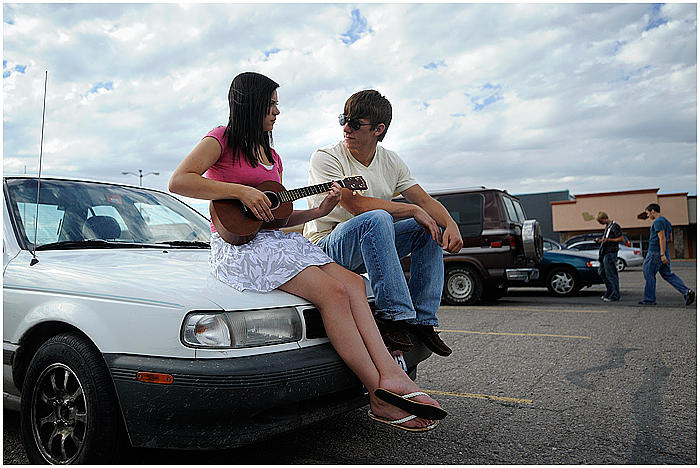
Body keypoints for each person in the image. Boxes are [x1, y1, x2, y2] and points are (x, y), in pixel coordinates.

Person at [169, 72, 446, 431]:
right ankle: (378, 395)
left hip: (272, 240)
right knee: (333, 293)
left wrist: (318, 211)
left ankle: (393, 375)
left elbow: (275, 218)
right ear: (250, 103)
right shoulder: (221, 139)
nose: (277, 112)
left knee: (354, 284)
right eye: (271, 104)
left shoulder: (272, 156)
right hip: (238, 248)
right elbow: (180, 180)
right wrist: (240, 191)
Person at [303, 89, 463, 357]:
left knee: (426, 227)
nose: (346, 128)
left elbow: (424, 200)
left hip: (370, 245)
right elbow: (355, 205)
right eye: (343, 119)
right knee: (377, 218)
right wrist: (411, 209)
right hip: (326, 249)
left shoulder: (390, 160)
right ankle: (394, 316)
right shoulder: (326, 156)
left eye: (355, 123)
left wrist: (450, 224)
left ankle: (423, 320)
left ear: (379, 129)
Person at [638, 203, 695, 306]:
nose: (648, 215)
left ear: (653, 211)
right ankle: (687, 292)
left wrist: (662, 254)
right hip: (664, 252)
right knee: (668, 275)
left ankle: (649, 300)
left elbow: (663, 238)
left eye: (648, 213)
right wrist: (664, 252)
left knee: (649, 275)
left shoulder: (658, 222)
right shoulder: (667, 222)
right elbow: (670, 239)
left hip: (655, 253)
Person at [594, 211, 623, 302]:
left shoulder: (615, 226)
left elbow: (621, 239)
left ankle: (615, 295)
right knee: (602, 272)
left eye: (601, 221)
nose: (600, 223)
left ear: (605, 218)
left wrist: (609, 240)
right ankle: (610, 291)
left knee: (611, 274)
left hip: (610, 253)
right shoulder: (608, 227)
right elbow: (607, 239)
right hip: (605, 252)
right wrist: (601, 241)